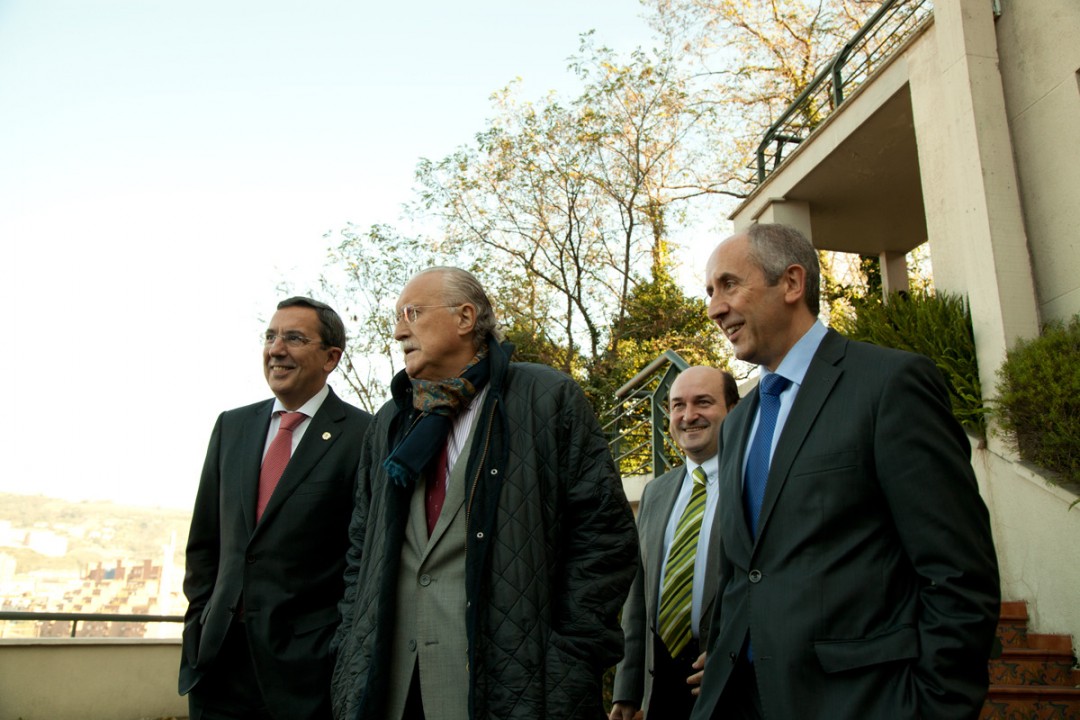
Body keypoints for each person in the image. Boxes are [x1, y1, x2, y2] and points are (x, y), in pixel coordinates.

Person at [689, 224, 1000, 720]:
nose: (714, 308)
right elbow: (743, 570)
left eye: (729, 284)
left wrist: (936, 706)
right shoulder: (740, 422)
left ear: (792, 283)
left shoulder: (889, 385)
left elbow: (957, 572)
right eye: (710, 291)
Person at [329, 266, 638, 720]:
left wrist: (570, 659)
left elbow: (605, 540)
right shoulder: (389, 423)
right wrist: (350, 646)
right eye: (397, 318)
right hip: (389, 690)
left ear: (465, 317)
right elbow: (360, 550)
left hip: (509, 690)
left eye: (411, 313)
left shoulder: (547, 399)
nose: (398, 332)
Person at [180, 296, 373, 720]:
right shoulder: (232, 426)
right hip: (217, 665)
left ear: (331, 357)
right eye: (270, 337)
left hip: (305, 675)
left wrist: (336, 650)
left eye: (294, 338)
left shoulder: (365, 436)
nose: (276, 349)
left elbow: (363, 561)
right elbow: (205, 542)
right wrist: (198, 626)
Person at [610, 366, 740, 720]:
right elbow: (638, 598)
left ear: (733, 409)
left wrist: (735, 656)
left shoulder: (755, 481)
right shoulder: (656, 492)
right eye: (678, 405)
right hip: (661, 688)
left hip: (730, 684)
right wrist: (627, 690)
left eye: (703, 402)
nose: (688, 415)